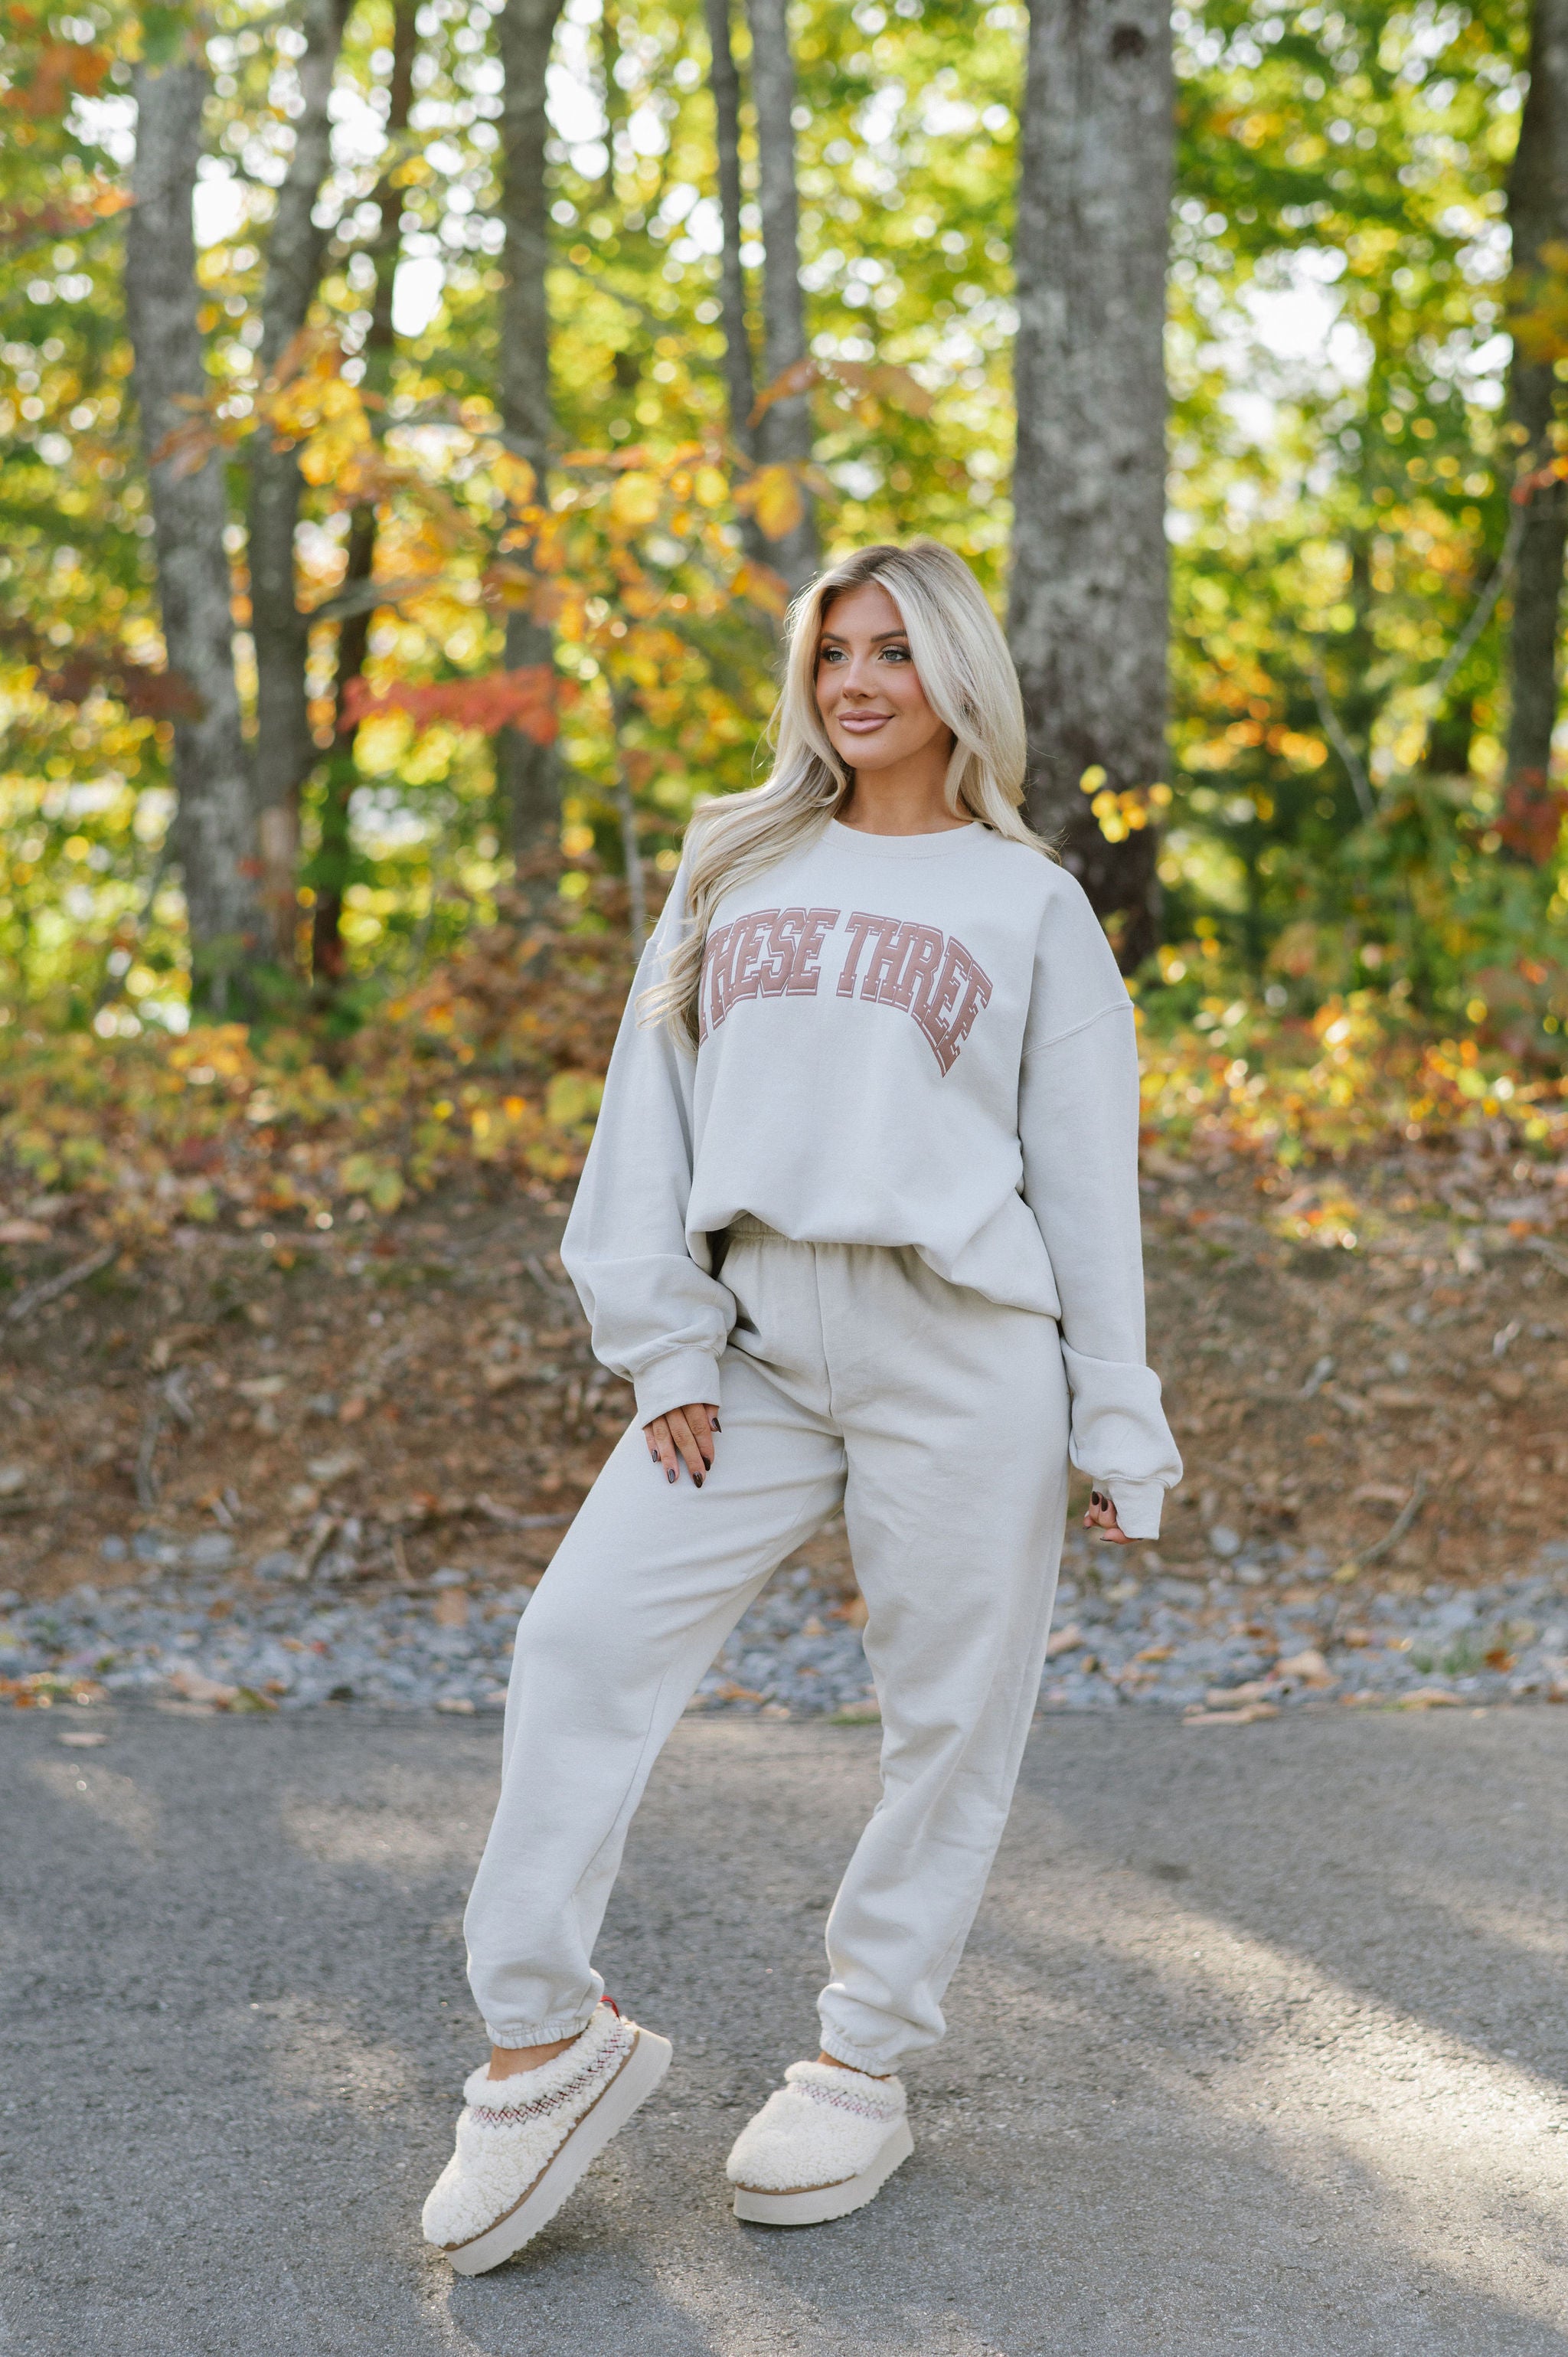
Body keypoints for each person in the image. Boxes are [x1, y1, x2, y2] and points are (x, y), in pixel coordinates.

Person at [420, 539, 1181, 2274]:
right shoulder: (729, 861)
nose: (857, 681)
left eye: (896, 652)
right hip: (749, 1346)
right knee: (577, 1643)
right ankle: (541, 2041)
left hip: (961, 1351)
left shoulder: (1027, 903)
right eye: (835, 649)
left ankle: (862, 2063)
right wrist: (663, 1342)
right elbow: (648, 1118)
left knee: (946, 1723)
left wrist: (1112, 1418)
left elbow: (1085, 1182)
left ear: (958, 680)